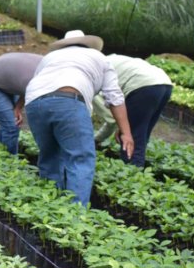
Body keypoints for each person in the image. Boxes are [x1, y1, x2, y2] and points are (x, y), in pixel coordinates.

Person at [23, 30, 134, 206]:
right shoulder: (99, 57)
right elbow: (114, 96)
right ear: (87, 44)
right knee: (81, 160)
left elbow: (35, 82)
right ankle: (74, 220)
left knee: (49, 156)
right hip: (69, 100)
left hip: (34, 103)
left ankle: (48, 208)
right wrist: (126, 132)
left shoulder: (50, 57)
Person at [92, 54, 173, 167]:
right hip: (164, 83)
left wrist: (96, 140)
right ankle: (138, 173)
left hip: (142, 85)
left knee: (131, 137)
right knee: (141, 135)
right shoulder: (107, 60)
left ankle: (132, 173)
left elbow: (111, 117)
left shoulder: (90, 79)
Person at [0, 51, 43, 155]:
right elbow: (31, 92)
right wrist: (18, 107)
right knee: (12, 127)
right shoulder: (43, 75)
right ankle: (9, 164)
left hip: (8, 81)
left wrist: (18, 108)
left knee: (9, 123)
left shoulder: (48, 64)